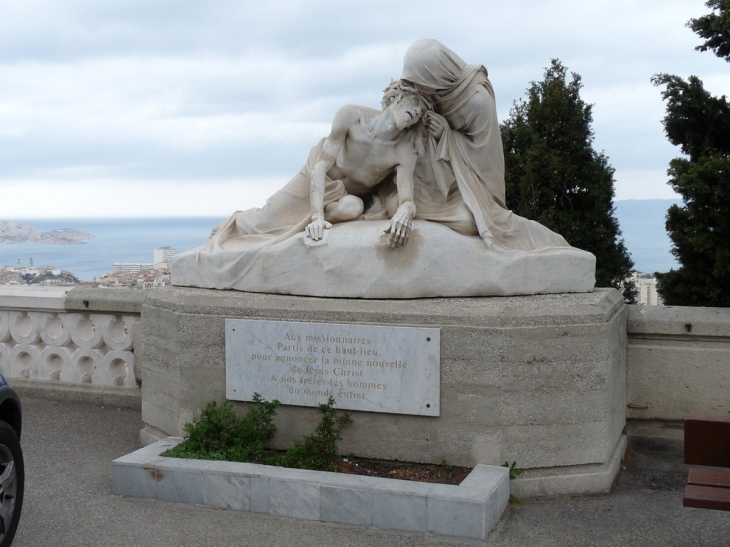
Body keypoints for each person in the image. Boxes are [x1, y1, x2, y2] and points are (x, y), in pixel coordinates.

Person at [399, 38, 570, 252]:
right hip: (435, 169)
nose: (416, 87)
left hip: (471, 181)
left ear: (435, 74)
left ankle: (553, 244)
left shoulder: (477, 101)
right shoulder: (431, 90)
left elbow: (484, 157)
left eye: (419, 81)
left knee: (493, 223)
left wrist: (446, 135)